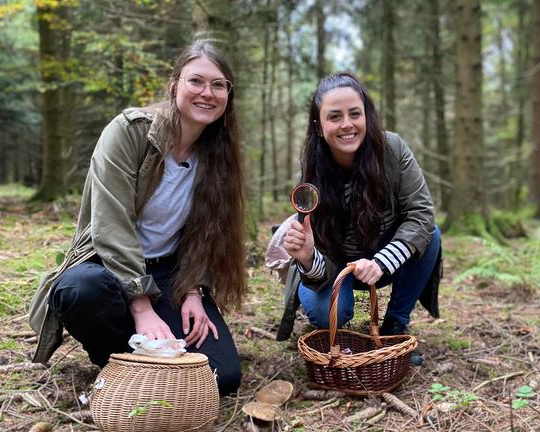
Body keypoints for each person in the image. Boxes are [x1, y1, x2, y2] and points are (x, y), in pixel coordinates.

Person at [28, 40, 245, 396]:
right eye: (196, 81)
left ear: (228, 94)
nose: (207, 93)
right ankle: (120, 365)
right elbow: (111, 226)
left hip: (170, 274)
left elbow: (207, 231)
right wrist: (141, 306)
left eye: (219, 85)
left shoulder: (217, 153)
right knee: (78, 290)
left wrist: (194, 290)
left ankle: (156, 367)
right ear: (175, 84)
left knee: (223, 376)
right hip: (109, 269)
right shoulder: (130, 132)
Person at [279, 72, 442, 338]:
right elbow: (320, 261)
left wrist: (380, 262)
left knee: (431, 235)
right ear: (319, 127)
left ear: (366, 116)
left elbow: (421, 214)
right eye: (334, 116)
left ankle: (395, 324)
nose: (347, 124)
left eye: (355, 114)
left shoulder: (392, 149)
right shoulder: (313, 169)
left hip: (384, 258)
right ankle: (332, 320)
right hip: (333, 266)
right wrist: (307, 257)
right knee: (325, 313)